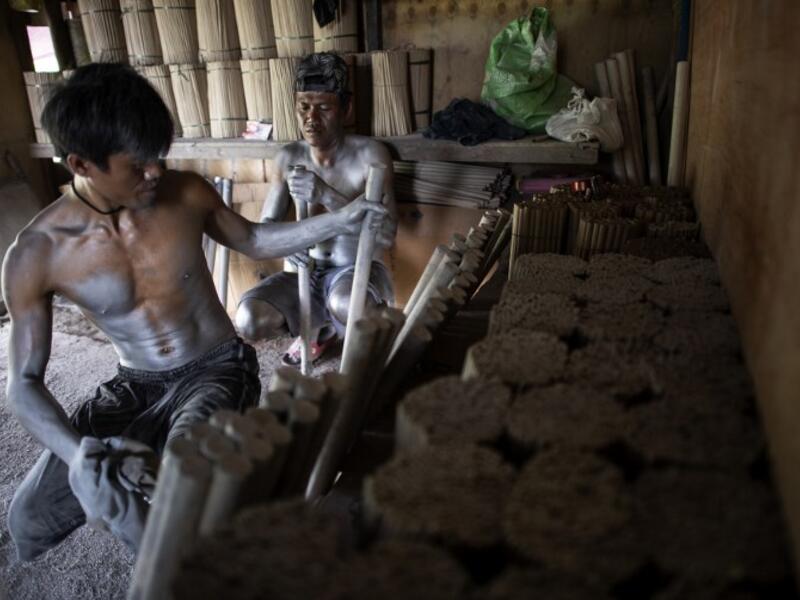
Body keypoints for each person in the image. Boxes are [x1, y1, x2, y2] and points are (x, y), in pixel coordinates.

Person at [2, 63, 385, 561]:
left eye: (158, 156)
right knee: (28, 518)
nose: (156, 172)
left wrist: (343, 216)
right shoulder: (36, 254)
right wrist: (78, 456)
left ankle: (174, 553)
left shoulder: (184, 192)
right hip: (132, 386)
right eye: (137, 165)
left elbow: (253, 238)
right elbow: (24, 383)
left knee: (178, 497)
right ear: (81, 165)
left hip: (214, 369)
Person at [234, 52, 396, 365]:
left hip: (353, 271)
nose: (311, 118)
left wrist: (326, 195)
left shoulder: (371, 155)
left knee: (347, 303)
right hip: (302, 274)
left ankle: (354, 333)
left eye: (323, 108)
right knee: (248, 318)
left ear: (345, 109)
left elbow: (387, 235)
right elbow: (266, 225)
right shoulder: (289, 157)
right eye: (304, 107)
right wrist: (285, 245)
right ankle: (314, 331)